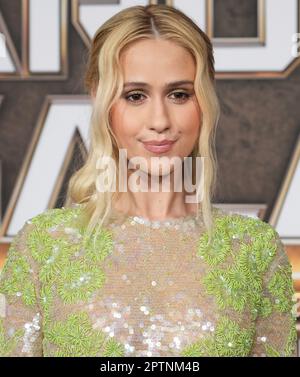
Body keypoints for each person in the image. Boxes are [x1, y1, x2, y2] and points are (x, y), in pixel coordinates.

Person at [0, 4, 297, 357]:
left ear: (204, 99)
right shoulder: (43, 246)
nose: (160, 119)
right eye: (135, 95)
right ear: (100, 98)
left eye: (179, 94)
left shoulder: (253, 250)